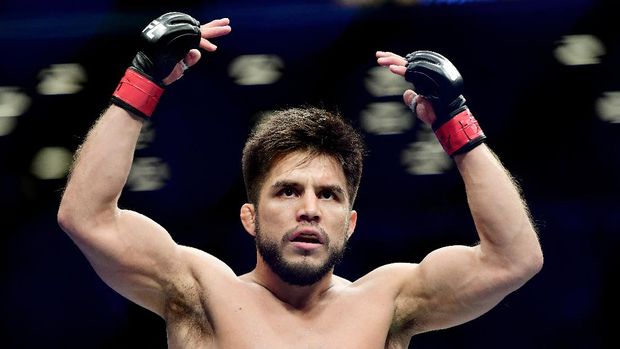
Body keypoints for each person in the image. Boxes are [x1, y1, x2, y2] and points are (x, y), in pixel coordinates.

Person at [58, 11, 543, 349]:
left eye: (329, 195)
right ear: (249, 216)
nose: (309, 207)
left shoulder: (388, 301)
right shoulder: (202, 293)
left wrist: (456, 122)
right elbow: (88, 218)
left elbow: (513, 260)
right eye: (288, 190)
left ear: (350, 223)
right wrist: (142, 79)